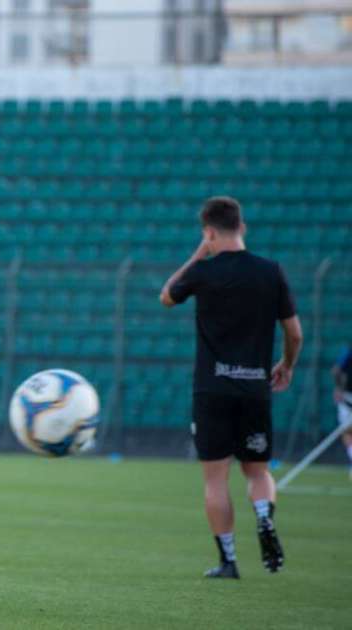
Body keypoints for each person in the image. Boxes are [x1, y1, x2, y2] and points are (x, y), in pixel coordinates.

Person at [160, 196, 303, 579]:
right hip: (254, 387)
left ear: (209, 231)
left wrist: (198, 253)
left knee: (216, 479)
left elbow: (167, 295)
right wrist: (286, 366)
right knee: (257, 472)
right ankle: (263, 516)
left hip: (211, 389)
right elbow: (294, 333)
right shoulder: (271, 272)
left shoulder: (203, 272)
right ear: (243, 227)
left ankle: (228, 561)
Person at [332, 345, 352, 479]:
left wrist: (339, 388)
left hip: (347, 395)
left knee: (347, 431)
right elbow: (337, 370)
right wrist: (339, 389)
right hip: (347, 396)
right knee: (347, 430)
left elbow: (336, 370)